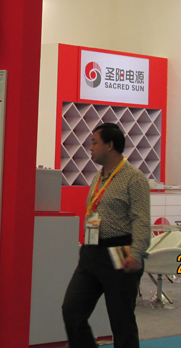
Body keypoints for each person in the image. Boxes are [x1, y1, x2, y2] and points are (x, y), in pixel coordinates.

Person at [62, 122, 150, 348]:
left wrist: (136, 254)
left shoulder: (135, 178)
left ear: (110, 145)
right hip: (91, 252)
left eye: (94, 142)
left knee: (122, 322)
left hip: (120, 251)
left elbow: (141, 220)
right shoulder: (97, 177)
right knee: (72, 310)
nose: (90, 147)